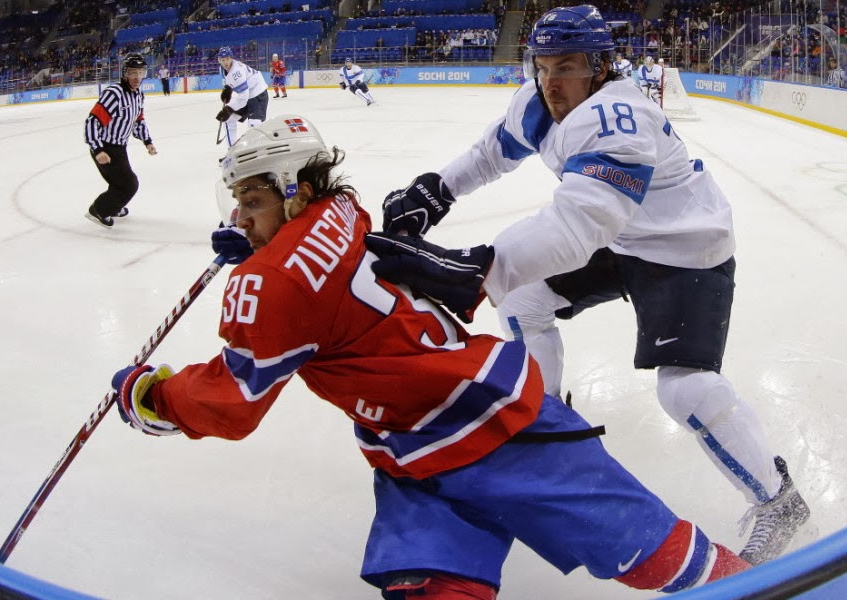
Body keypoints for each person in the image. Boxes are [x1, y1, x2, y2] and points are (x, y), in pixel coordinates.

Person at [111, 114, 751, 598]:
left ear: (294, 190)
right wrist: (260, 238)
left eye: (251, 202)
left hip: (495, 426)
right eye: (239, 204)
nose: (241, 216)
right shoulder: (340, 209)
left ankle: (778, 586)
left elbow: (234, 399)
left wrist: (149, 397)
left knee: (654, 552)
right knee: (433, 583)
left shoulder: (275, 284)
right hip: (416, 442)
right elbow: (314, 263)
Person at [372, 4, 811, 567]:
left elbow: (577, 229)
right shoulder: (538, 101)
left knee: (685, 389)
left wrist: (475, 269)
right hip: (624, 236)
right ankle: (545, 416)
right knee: (525, 298)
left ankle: (780, 501)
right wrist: (436, 189)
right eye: (544, 66)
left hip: (685, 249)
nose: (552, 82)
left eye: (568, 67)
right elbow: (491, 153)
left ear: (601, 66)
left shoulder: (621, 117)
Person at [83, 53, 157, 228]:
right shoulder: (114, 93)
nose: (137, 77)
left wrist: (147, 141)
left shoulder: (138, 95)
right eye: (133, 72)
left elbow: (138, 120)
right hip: (105, 147)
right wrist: (98, 149)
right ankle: (99, 210)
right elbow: (92, 121)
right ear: (125, 73)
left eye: (141, 72)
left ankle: (114, 207)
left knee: (119, 182)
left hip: (120, 148)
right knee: (129, 185)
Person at [216, 46, 269, 147]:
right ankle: (232, 151)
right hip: (248, 94)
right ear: (219, 60)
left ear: (231, 58)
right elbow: (229, 81)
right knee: (229, 119)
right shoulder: (222, 69)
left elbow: (243, 99)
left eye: (227, 59)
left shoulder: (237, 72)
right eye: (223, 60)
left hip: (258, 94)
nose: (225, 62)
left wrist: (228, 109)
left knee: (254, 125)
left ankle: (256, 151)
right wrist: (228, 89)